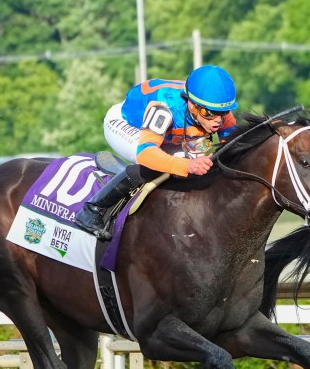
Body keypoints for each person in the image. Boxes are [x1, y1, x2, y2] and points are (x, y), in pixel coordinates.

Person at [74, 64, 240, 239]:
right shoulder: (163, 107)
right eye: (209, 114)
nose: (218, 121)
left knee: (200, 162)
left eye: (224, 113)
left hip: (169, 134)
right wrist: (188, 165)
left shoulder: (216, 108)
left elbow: (233, 145)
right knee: (155, 165)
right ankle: (93, 209)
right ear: (192, 105)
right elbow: (146, 154)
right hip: (126, 124)